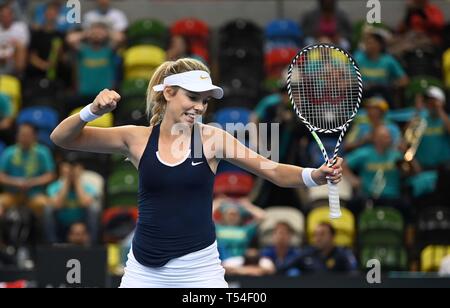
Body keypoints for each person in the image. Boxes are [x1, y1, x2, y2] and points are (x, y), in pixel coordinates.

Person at [50, 58, 343, 288]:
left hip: (199, 269)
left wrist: (314, 175)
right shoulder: (135, 138)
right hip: (143, 271)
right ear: (168, 93)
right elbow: (62, 138)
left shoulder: (213, 139)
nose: (200, 107)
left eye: (205, 101)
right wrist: (91, 111)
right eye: (193, 97)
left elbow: (274, 171)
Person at [0, 123, 55, 220]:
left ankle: (41, 234)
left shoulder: (43, 152)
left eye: (27, 135)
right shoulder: (9, 152)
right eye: (22, 135)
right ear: (17, 136)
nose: (24, 138)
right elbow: (1, 176)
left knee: (45, 206)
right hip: (12, 193)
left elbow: (50, 175)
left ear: (35, 136)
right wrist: (16, 182)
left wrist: (32, 182)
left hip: (35, 194)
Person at [45, 159, 99, 244]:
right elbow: (58, 205)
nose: (71, 172)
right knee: (48, 209)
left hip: (82, 222)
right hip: (61, 224)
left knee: (93, 209)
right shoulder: (53, 187)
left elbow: (84, 203)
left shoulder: (89, 187)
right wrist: (66, 180)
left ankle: (93, 243)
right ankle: (52, 243)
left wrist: (77, 180)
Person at [278, 222, 357, 274]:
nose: (318, 238)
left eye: (322, 234)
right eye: (315, 235)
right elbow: (283, 268)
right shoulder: (307, 253)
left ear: (332, 237)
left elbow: (353, 275)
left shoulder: (342, 254)